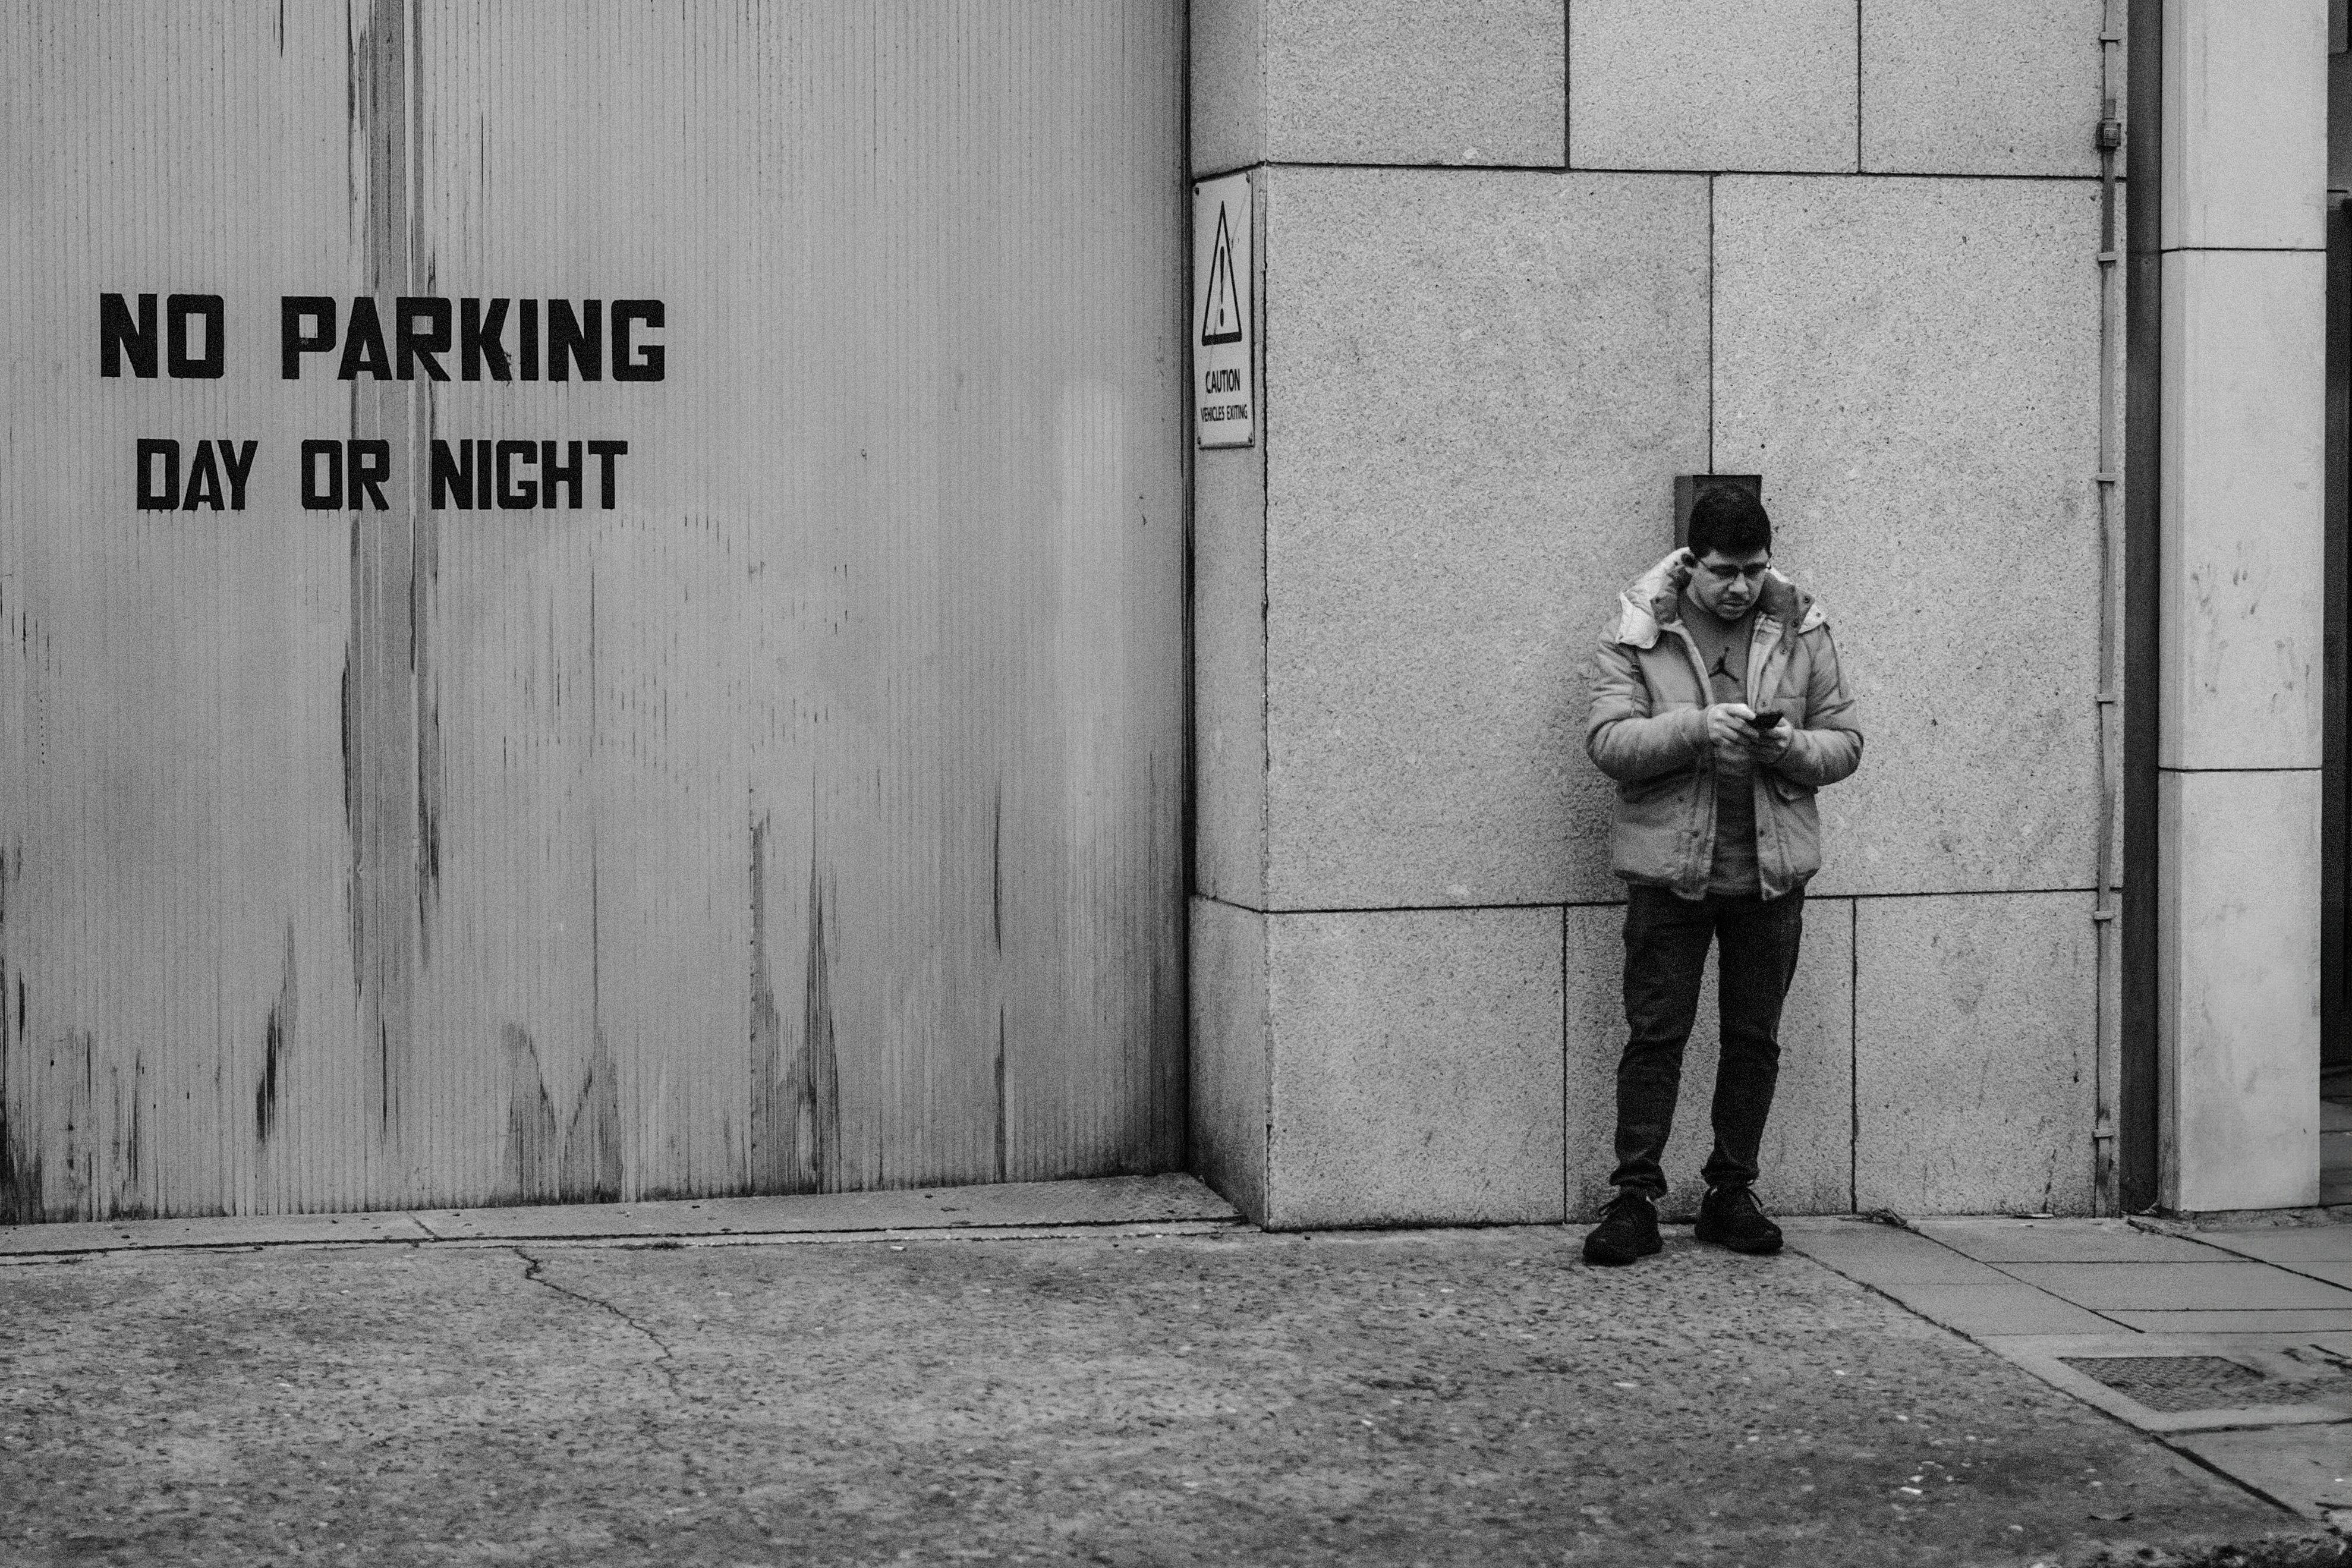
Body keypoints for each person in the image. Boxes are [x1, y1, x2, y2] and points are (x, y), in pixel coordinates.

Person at [1580, 487, 1862, 1265]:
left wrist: (1788, 748)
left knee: (1753, 1041)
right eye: (1722, 571)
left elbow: (1844, 741)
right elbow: (1607, 741)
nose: (1739, 587)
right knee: (1654, 1037)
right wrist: (1697, 729)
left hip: (1770, 876)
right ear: (1691, 562)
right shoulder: (1641, 625)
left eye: (1753, 569)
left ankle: (1730, 1192)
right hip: (1669, 873)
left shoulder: (1801, 624)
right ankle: (1633, 1198)